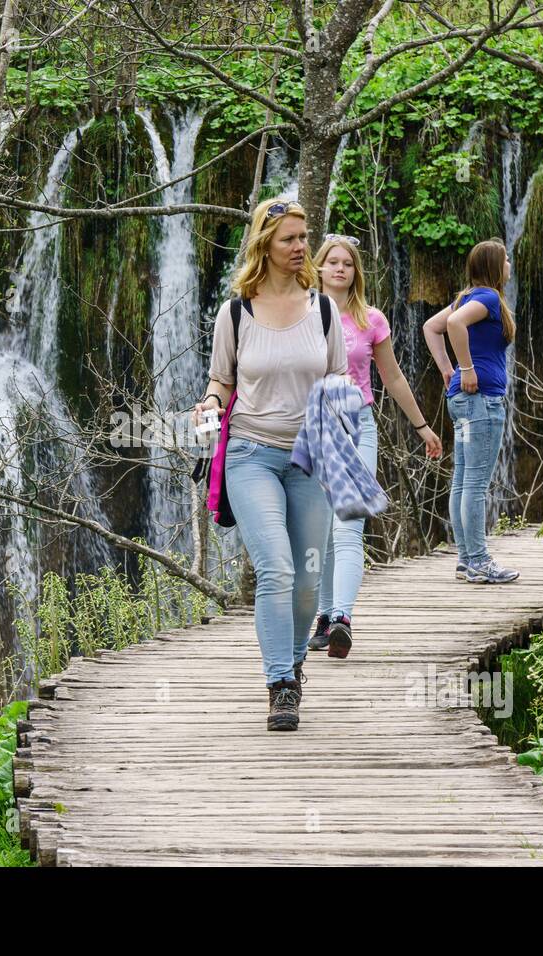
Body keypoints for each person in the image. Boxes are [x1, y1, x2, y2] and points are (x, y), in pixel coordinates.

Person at [192, 197, 347, 731]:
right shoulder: (236, 311)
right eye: (290, 238)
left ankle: (297, 662)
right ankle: (281, 683)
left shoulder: (323, 309)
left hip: (310, 458)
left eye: (305, 236)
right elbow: (222, 380)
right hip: (250, 453)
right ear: (265, 243)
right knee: (276, 569)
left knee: (307, 581)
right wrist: (211, 404)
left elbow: (338, 381)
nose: (301, 246)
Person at [307, 234, 443, 658]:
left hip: (358, 426)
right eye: (333, 262)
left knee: (349, 526)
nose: (340, 268)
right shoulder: (302, 314)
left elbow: (394, 377)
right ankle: (325, 615)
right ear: (320, 268)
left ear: (355, 272)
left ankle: (342, 619)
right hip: (315, 428)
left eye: (347, 263)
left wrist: (421, 425)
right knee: (321, 531)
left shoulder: (372, 320)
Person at [422, 238, 520, 584]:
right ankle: (479, 560)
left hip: (462, 402)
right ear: (495, 267)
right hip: (481, 402)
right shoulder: (489, 298)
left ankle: (466, 560)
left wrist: (447, 369)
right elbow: (452, 326)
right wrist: (464, 368)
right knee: (475, 484)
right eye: (506, 260)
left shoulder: (466, 297)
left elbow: (430, 327)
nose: (510, 265)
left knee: (463, 480)